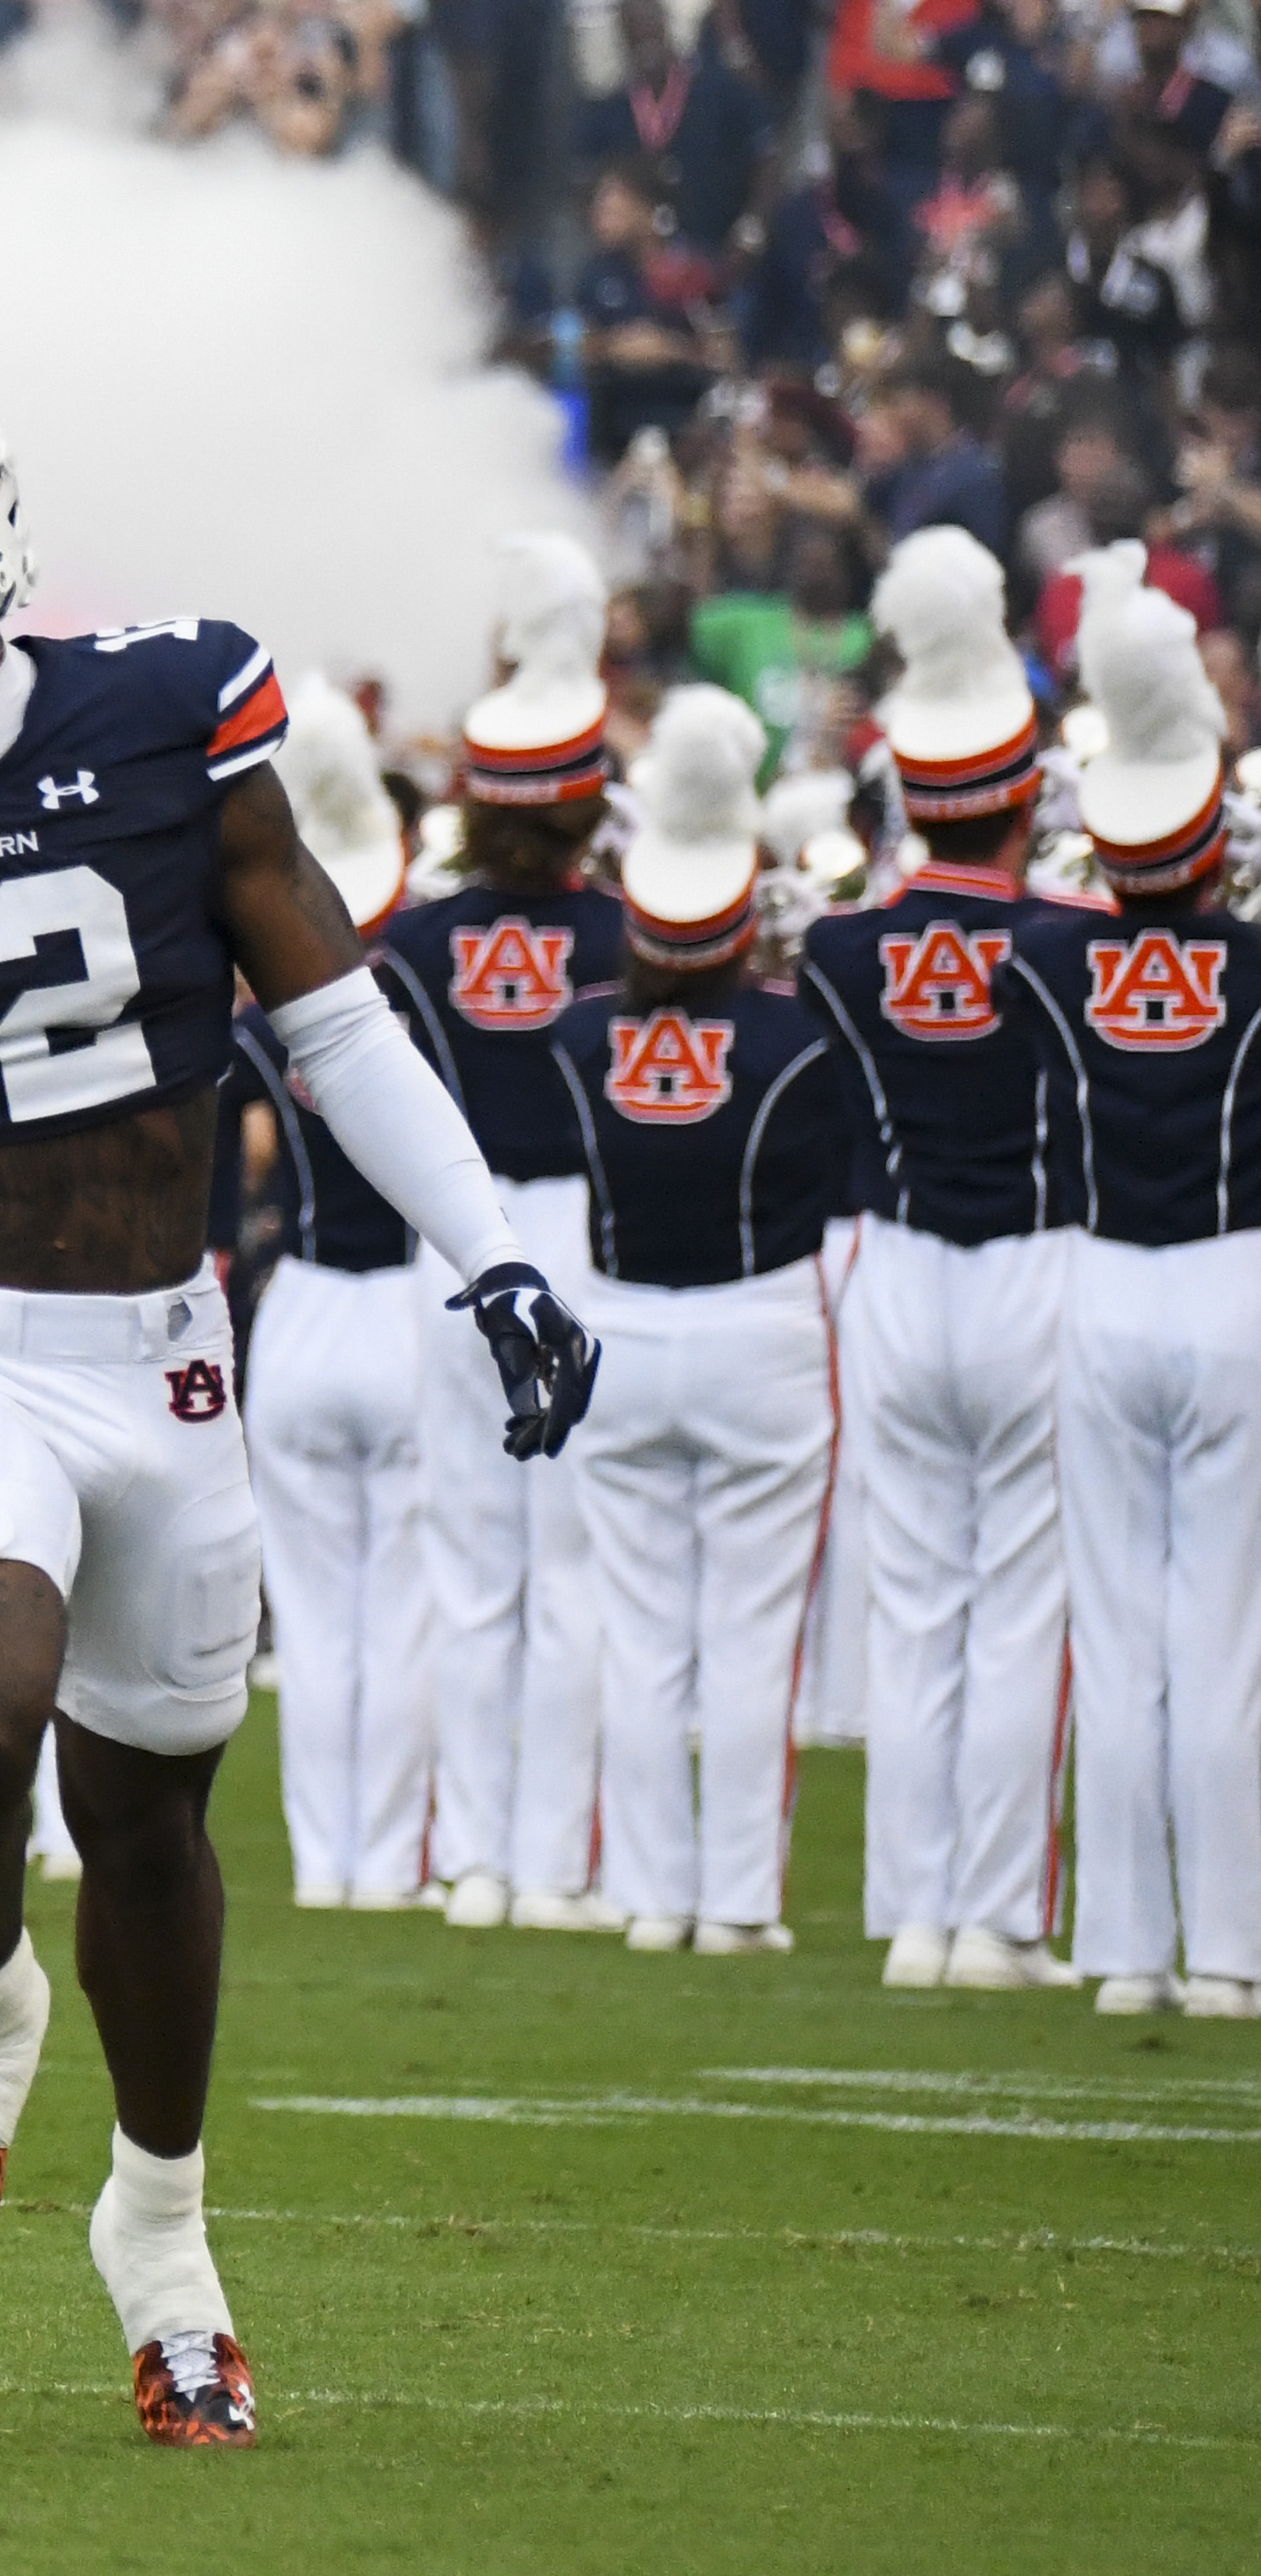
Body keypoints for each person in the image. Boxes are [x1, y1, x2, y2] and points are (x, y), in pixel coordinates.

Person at [0, 343, 597, 2450]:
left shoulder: (166, 702)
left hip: (166, 1345)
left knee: (152, 1813)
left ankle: (157, 2239)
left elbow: (330, 1015)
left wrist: (495, 1249)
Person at [791, 530, 1084, 1991]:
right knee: (1020, 1597)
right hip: (1033, 1270)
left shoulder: (838, 949)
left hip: (894, 1275)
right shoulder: (1073, 939)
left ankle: (912, 1914)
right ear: (1027, 786)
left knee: (911, 1600)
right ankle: (995, 1918)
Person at [520, 688, 850, 1961]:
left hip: (617, 1337)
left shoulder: (575, 1031)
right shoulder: (797, 1037)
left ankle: (654, 1896)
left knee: (644, 1630)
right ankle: (736, 1903)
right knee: (750, 1636)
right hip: (758, 1329)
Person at [1011, 558, 1261, 2020]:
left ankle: (1120, 1951)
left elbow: (1052, 897)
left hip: (1102, 1285)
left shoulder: (1047, 960)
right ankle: (1227, 1949)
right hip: (1232, 1283)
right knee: (1220, 1628)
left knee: (1112, 1630)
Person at [380, 538, 623, 1928]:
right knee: (570, 1573)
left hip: (452, 1249)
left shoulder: (414, 941)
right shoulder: (626, 933)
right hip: (579, 1249)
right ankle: (552, 1865)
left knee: (467, 1577)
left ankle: (470, 1861)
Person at [233, 696, 439, 1914]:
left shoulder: (261, 1008)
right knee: (397, 1603)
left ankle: (324, 1863)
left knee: (311, 1618)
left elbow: (247, 1149)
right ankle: (386, 1859)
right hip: (404, 1300)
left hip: (301, 1305)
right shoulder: (420, 985)